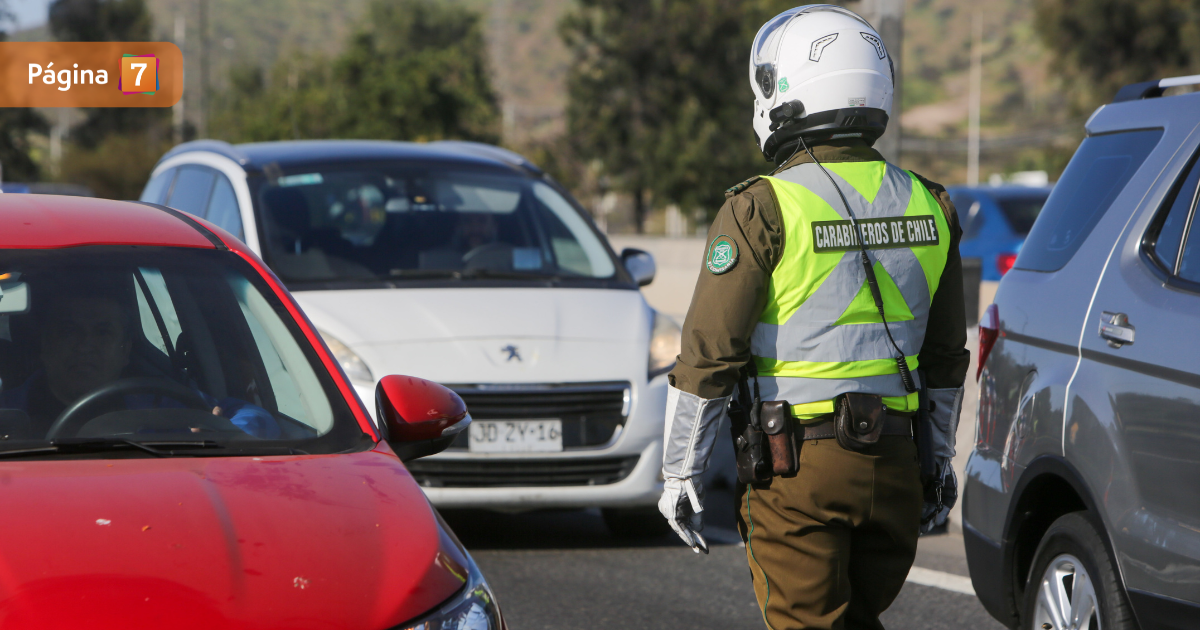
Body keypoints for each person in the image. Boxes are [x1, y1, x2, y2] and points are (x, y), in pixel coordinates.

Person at [658, 6, 969, 630]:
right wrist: (937, 464)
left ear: (789, 90)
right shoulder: (930, 204)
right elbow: (945, 359)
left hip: (796, 467)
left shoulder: (762, 207)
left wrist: (679, 472)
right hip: (897, 465)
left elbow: (709, 356)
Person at [0, 276, 279, 439]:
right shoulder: (7, 409)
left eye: (102, 333)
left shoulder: (161, 403)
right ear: (43, 346)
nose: (85, 345)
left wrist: (222, 432)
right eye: (69, 331)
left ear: (125, 350)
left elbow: (256, 417)